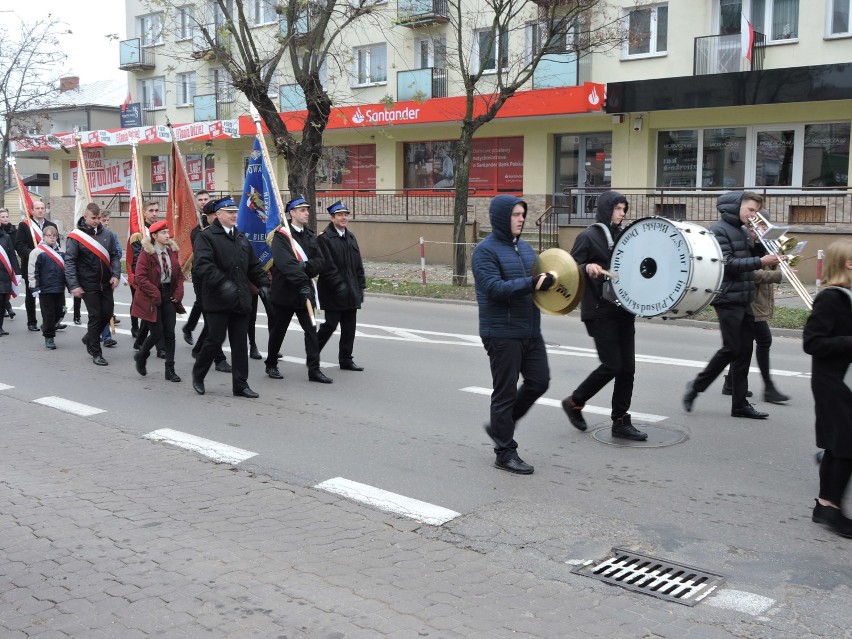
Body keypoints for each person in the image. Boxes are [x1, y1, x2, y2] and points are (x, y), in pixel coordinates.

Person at [683, 191, 782, 419]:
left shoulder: (742, 230)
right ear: (736, 206)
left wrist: (761, 245)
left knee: (744, 352)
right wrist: (760, 260)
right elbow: (728, 264)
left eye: (756, 211)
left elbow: (749, 257)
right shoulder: (718, 231)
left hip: (744, 298)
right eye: (750, 210)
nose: (754, 215)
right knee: (731, 349)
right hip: (727, 298)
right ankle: (695, 386)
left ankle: (739, 405)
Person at [472, 194, 553, 475]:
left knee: (539, 381)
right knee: (504, 393)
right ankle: (505, 452)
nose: (521, 219)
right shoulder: (485, 251)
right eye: (516, 215)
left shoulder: (527, 249)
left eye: (522, 214)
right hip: (502, 332)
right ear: (501, 218)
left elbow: (545, 278)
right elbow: (494, 288)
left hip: (530, 329)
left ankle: (499, 428)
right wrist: (532, 283)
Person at [560, 191, 648, 441]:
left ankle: (620, 420)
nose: (622, 213)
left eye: (624, 208)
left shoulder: (626, 237)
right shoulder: (589, 236)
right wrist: (585, 268)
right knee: (613, 364)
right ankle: (575, 401)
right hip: (598, 311)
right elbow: (568, 269)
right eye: (618, 208)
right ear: (606, 209)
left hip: (623, 310)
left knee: (627, 369)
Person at [191, 197, 267, 398]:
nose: (234, 215)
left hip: (240, 299)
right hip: (217, 299)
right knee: (214, 340)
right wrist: (223, 283)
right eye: (229, 212)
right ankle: (198, 375)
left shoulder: (241, 237)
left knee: (240, 343)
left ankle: (240, 385)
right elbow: (202, 265)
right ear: (218, 215)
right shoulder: (206, 237)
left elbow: (253, 265)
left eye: (235, 212)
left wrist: (264, 284)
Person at [803, 239, 852, 539]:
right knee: (844, 446)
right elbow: (812, 342)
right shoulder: (831, 298)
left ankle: (825, 507)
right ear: (848, 263)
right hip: (832, 382)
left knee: (840, 445)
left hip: (846, 379)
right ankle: (829, 507)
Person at [265, 196, 333, 384]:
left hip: (305, 294)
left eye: (307, 210)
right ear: (292, 213)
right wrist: (303, 276)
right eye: (302, 210)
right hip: (285, 292)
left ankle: (314, 370)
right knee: (279, 331)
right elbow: (285, 264)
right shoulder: (281, 236)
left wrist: (305, 268)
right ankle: (271, 363)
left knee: (311, 331)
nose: (306, 213)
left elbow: (320, 261)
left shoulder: (311, 236)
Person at [721, 221, 790, 404]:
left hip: (757, 299)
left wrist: (778, 261)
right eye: (755, 228)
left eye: (762, 228)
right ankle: (768, 388)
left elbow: (766, 269)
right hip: (748, 300)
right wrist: (777, 274)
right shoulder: (745, 245)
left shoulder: (762, 244)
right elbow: (751, 274)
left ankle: (730, 383)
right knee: (762, 340)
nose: (759, 231)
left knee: (742, 344)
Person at [65, 203, 121, 366]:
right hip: (88, 283)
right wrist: (74, 285)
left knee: (108, 313)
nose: (97, 221)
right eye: (93, 218)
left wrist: (116, 275)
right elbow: (70, 262)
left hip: (106, 283)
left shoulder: (108, 234)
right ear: (85, 216)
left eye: (98, 218)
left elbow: (114, 256)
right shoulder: (75, 237)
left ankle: (90, 337)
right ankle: (96, 351)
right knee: (95, 316)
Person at [132, 220, 185, 383]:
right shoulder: (146, 253)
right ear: (154, 236)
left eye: (167, 232)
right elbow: (139, 277)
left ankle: (170, 369)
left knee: (170, 334)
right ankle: (141, 356)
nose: (167, 235)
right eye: (163, 233)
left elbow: (179, 275)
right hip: (151, 297)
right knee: (156, 333)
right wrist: (155, 293)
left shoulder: (172, 251)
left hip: (168, 294)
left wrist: (178, 290)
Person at [316, 201, 366, 372]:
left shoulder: (350, 236)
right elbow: (327, 267)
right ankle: (313, 354)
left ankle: (346, 359)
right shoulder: (324, 238)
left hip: (351, 290)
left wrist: (360, 287)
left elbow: (357, 265)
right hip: (333, 291)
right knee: (330, 325)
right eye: (339, 215)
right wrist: (340, 287)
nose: (344, 218)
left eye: (346, 214)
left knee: (349, 327)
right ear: (332, 217)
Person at [189, 202, 232, 373]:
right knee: (212, 321)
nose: (217, 218)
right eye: (214, 215)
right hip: (205, 281)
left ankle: (198, 348)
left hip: (223, 281)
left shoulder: (227, 232)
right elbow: (203, 260)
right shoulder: (199, 233)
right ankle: (219, 359)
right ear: (208, 216)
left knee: (215, 322)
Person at [15, 200, 58, 331]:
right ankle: (31, 322)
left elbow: (56, 245)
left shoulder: (52, 225)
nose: (40, 210)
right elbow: (19, 245)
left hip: (48, 267)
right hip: (31, 266)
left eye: (42, 208)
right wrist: (35, 254)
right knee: (31, 295)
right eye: (37, 208)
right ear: (32, 210)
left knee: (50, 295)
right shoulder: (24, 225)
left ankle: (51, 322)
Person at [27, 226, 66, 349]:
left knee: (60, 312)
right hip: (45, 289)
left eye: (54, 235)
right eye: (49, 235)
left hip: (59, 288)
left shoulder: (61, 252)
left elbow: (66, 270)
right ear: (44, 237)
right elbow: (32, 272)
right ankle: (49, 337)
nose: (52, 237)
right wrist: (34, 287)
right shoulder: (37, 252)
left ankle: (48, 327)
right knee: (48, 314)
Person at [182, 189, 210, 345]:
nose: (204, 201)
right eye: (200, 200)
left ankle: (189, 328)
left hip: (212, 269)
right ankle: (191, 330)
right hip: (198, 267)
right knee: (202, 301)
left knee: (204, 303)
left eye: (206, 198)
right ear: (196, 202)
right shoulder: (192, 221)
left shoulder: (213, 217)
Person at [129, 200, 161, 339]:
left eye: (156, 210)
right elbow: (137, 255)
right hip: (141, 271)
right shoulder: (139, 231)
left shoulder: (159, 228)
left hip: (157, 272)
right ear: (144, 212)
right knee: (138, 301)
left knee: (151, 303)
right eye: (151, 210)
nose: (154, 213)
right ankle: (135, 326)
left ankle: (142, 337)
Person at [0, 217, 21, 337]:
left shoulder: (6, 237)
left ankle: (0, 327)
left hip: (4, 275)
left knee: (3, 302)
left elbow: (12, 256)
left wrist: (17, 273)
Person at [0, 208, 17, 320]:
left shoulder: (12, 230)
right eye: (3, 217)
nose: (5, 218)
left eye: (7, 216)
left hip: (8, 262)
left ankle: (6, 307)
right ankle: (8, 308)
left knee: (6, 289)